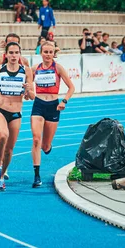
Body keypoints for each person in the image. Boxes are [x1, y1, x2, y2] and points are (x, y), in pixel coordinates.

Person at [0, 41, 33, 191]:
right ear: (6, 54)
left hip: (16, 113)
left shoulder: (27, 71)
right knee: (3, 135)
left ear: (20, 54)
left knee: (10, 150)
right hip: (1, 109)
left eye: (16, 52)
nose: (14, 55)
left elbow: (32, 95)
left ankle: (2, 177)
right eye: (11, 53)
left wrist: (29, 90)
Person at [30, 41, 75, 188]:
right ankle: (37, 176)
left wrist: (64, 101)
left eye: (50, 52)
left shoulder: (58, 68)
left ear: (53, 53)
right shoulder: (35, 68)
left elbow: (71, 87)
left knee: (45, 145)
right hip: (38, 105)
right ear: (40, 53)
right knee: (36, 139)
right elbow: (27, 83)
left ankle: (48, 146)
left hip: (53, 106)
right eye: (45, 52)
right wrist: (27, 91)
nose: (48, 55)